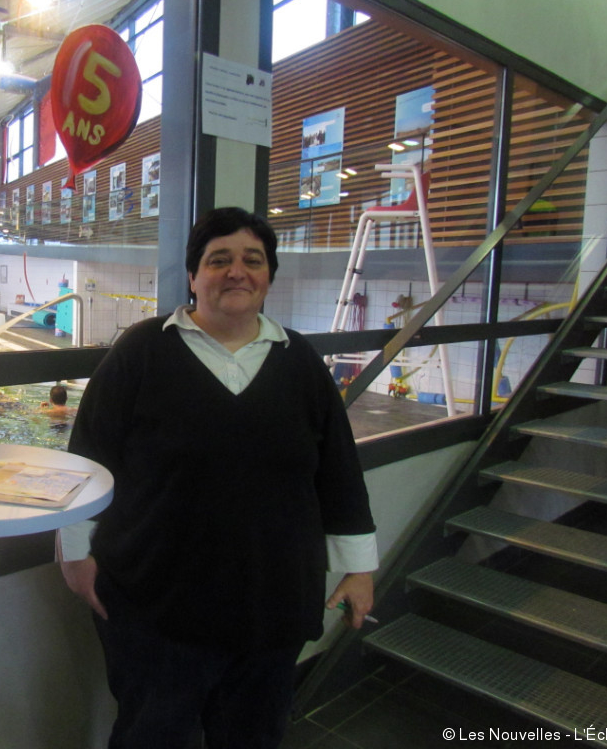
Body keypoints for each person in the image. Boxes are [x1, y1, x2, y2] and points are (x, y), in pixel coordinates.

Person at [60, 207, 377, 749]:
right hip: (154, 606)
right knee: (151, 735)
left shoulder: (299, 362)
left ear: (269, 275)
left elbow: (338, 473)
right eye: (218, 260)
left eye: (252, 260)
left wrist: (358, 569)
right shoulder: (141, 352)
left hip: (270, 606)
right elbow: (87, 457)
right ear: (193, 275)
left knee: (253, 737)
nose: (237, 272)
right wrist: (75, 554)